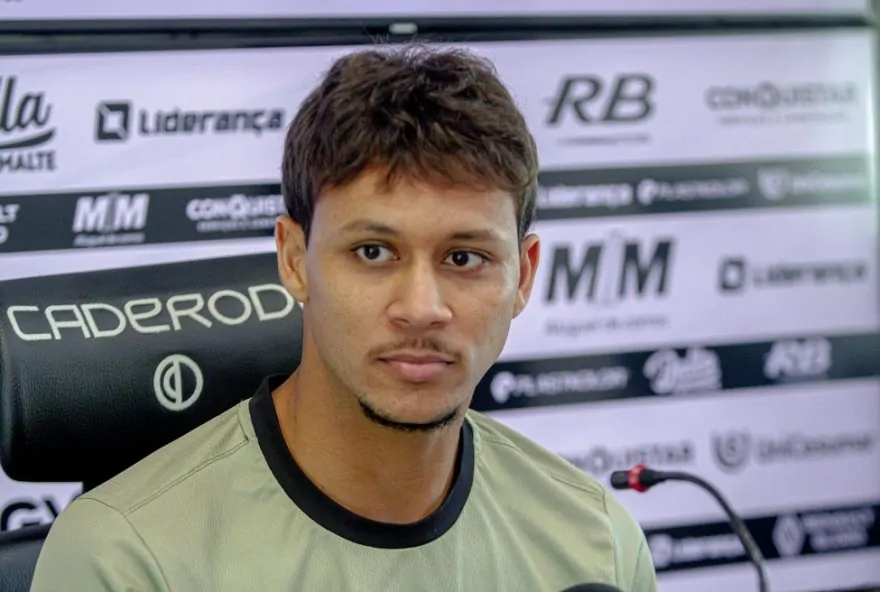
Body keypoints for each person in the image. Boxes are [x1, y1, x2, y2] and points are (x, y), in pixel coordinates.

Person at [30, 43, 657, 592]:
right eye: (373, 252)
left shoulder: (596, 546)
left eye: (464, 257)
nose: (421, 308)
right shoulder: (127, 558)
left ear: (522, 275)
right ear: (294, 260)